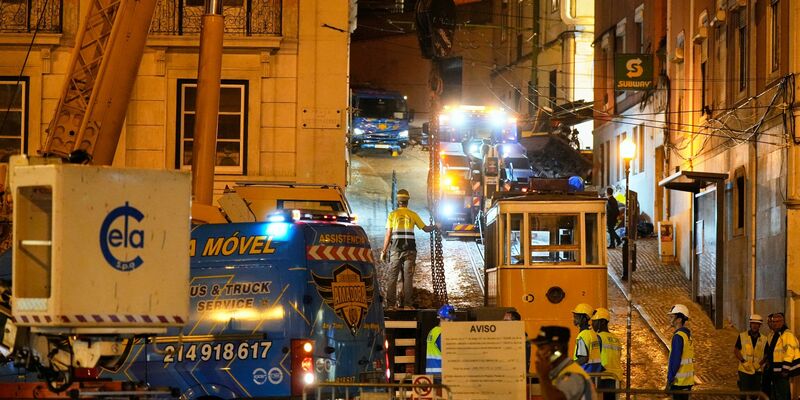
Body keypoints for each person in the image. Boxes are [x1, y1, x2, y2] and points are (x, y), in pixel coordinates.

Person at [380, 189, 436, 309]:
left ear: (398, 201)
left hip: (395, 250)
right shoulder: (413, 214)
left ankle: (390, 305)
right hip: (410, 250)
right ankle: (407, 305)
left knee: (392, 278)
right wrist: (436, 226)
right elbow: (426, 229)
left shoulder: (392, 215)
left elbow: (388, 234)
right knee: (408, 278)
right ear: (407, 201)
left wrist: (384, 251)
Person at [533, 325, 597, 400]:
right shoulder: (560, 372)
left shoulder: (573, 376)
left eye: (541, 348)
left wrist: (543, 377)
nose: (537, 353)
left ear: (557, 349)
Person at [764, 312, 800, 400]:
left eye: (777, 321)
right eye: (773, 321)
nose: (775, 323)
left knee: (783, 393)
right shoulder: (775, 334)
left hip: (782, 371)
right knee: (777, 393)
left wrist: (785, 369)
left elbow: (790, 352)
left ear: (782, 322)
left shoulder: (787, 334)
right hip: (775, 370)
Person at [733, 314, 767, 399]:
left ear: (760, 325)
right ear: (750, 324)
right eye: (753, 323)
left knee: (755, 394)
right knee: (743, 393)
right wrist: (743, 361)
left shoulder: (764, 339)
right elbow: (736, 350)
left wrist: (760, 363)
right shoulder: (742, 336)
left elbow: (767, 354)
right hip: (744, 369)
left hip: (757, 370)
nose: (755, 326)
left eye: (757, 324)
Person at [592, 307, 622, 400]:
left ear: (603, 322)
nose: (593, 324)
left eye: (595, 321)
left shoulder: (597, 337)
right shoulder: (616, 338)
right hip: (616, 378)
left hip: (604, 378)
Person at [666, 304, 694, 400]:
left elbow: (675, 360)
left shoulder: (678, 337)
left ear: (679, 319)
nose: (670, 319)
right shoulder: (687, 336)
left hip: (679, 382)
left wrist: (669, 380)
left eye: (672, 317)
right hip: (687, 382)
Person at [572, 303, 602, 373]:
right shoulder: (593, 333)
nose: (574, 319)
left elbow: (583, 358)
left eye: (577, 316)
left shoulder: (583, 335)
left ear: (585, 318)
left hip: (585, 373)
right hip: (594, 374)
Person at [426, 304, 455, 376]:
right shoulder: (442, 333)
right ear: (441, 319)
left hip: (431, 372)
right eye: (449, 320)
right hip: (440, 373)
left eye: (452, 320)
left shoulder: (433, 331)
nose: (452, 322)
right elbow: (448, 352)